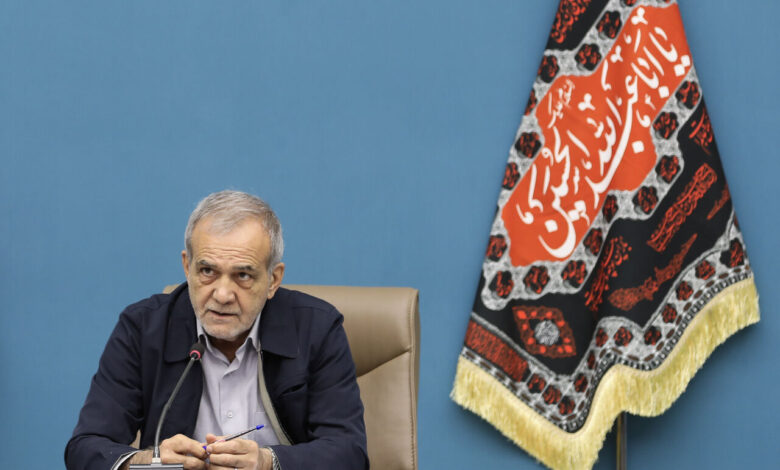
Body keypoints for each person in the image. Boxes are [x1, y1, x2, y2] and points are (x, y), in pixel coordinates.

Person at [65, 190, 369, 470]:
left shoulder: (317, 329)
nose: (222, 295)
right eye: (207, 271)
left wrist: (267, 462)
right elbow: (85, 448)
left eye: (243, 275)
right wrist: (149, 462)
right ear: (187, 267)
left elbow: (349, 453)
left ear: (273, 280)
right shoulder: (142, 328)